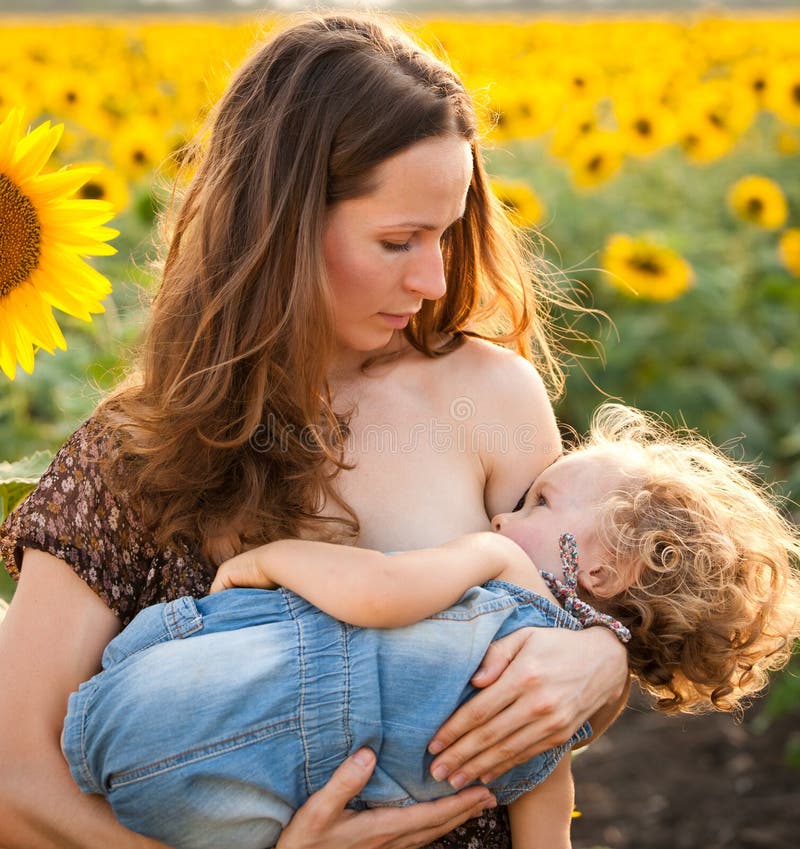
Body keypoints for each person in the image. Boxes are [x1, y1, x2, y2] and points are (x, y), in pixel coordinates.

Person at [0, 12, 630, 849]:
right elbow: (15, 785)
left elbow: (559, 626)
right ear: (281, 227)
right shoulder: (134, 452)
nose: (435, 275)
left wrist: (602, 662)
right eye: (398, 239)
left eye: (444, 233)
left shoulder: (494, 397)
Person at [59, 403, 800, 849]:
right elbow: (550, 840)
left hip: (154, 707)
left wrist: (273, 561)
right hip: (224, 812)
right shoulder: (550, 739)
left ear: (603, 569)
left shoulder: (499, 563)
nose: (509, 514)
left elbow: (380, 591)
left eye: (543, 503)